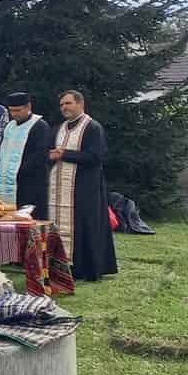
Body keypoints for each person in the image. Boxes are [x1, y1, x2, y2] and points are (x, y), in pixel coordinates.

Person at [48, 90, 119, 282]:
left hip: (84, 187)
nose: (64, 107)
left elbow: (96, 156)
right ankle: (63, 265)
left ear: (80, 104)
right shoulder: (59, 128)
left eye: (68, 103)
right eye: (62, 104)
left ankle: (85, 268)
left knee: (85, 226)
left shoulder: (92, 127)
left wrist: (65, 154)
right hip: (59, 188)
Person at [0, 93, 53, 218]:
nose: (15, 114)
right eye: (12, 111)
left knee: (30, 218)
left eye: (18, 110)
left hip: (32, 182)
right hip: (9, 180)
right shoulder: (10, 126)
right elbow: (4, 152)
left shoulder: (40, 126)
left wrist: (19, 170)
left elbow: (40, 155)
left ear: (28, 106)